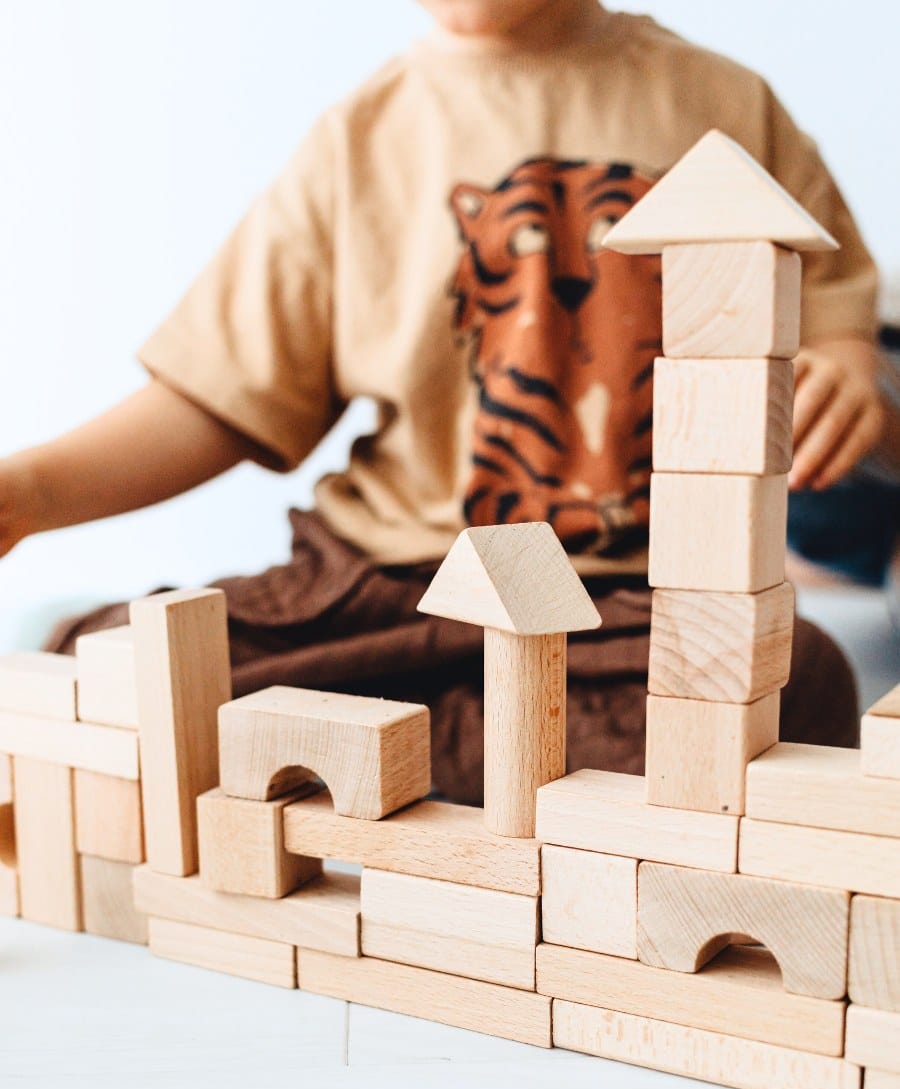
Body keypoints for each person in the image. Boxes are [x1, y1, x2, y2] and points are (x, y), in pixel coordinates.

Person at [0, 0, 882, 802]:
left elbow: (831, 307)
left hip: (623, 609)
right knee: (110, 665)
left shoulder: (722, 100)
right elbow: (218, 400)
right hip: (382, 587)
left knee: (800, 680)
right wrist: (31, 493)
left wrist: (842, 367)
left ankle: (388, 765)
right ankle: (488, 771)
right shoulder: (358, 138)